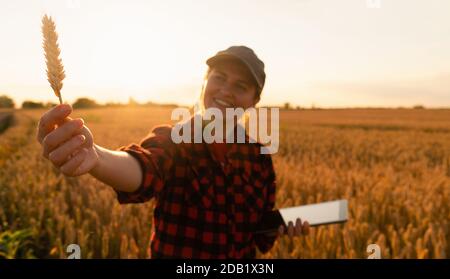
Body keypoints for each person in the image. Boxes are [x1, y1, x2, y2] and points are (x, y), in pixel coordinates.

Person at [36, 46, 309, 259]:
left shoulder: (259, 155)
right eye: (219, 78)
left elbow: (257, 232)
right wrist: (95, 156)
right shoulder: (175, 139)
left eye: (241, 86)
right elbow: (145, 167)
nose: (226, 90)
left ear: (253, 101)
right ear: (204, 83)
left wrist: (281, 225)